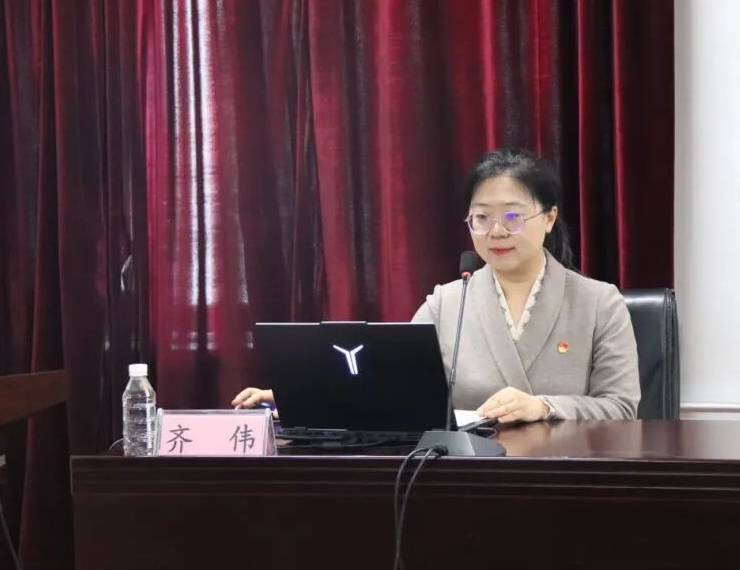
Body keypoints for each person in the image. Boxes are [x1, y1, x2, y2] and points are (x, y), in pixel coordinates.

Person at [233, 147, 640, 423]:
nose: (496, 231)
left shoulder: (598, 302)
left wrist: (545, 406)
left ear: (549, 218)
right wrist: (298, 396)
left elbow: (622, 407)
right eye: (481, 218)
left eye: (513, 217)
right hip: (465, 480)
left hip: (565, 476)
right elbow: (391, 388)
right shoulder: (447, 303)